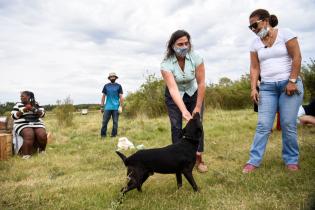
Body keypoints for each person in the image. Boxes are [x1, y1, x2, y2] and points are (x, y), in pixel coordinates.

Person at [243, 9, 304, 173]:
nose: (254, 29)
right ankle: (253, 161)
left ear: (265, 20)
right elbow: (255, 67)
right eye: (251, 27)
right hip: (267, 88)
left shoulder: (286, 34)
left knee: (287, 123)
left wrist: (292, 81)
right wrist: (253, 87)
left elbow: (297, 57)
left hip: (288, 85)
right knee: (263, 125)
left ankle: (291, 160)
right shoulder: (254, 43)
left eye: (254, 25)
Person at [160, 29, 207, 173]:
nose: (184, 46)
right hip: (174, 96)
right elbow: (173, 89)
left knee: (197, 125)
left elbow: (201, 83)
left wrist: (197, 107)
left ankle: (198, 159)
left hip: (194, 93)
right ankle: (178, 160)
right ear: (172, 46)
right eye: (180, 44)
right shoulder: (166, 64)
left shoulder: (196, 57)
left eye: (186, 43)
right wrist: (184, 111)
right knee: (176, 126)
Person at [11, 91, 47, 159]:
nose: (21, 98)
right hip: (22, 123)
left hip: (36, 123)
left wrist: (33, 109)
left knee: (42, 135)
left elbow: (43, 115)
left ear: (28, 97)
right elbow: (13, 116)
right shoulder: (18, 104)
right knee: (29, 134)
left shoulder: (36, 104)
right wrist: (23, 110)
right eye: (20, 96)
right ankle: (26, 155)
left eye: (23, 96)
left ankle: (42, 151)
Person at [100, 72, 123, 138]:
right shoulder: (106, 86)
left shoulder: (119, 86)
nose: (112, 78)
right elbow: (103, 96)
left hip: (116, 107)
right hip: (107, 107)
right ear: (109, 78)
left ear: (115, 78)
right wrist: (102, 106)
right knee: (104, 122)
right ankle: (103, 135)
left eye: (113, 76)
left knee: (115, 122)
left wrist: (121, 106)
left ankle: (113, 135)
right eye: (111, 77)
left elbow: (121, 96)